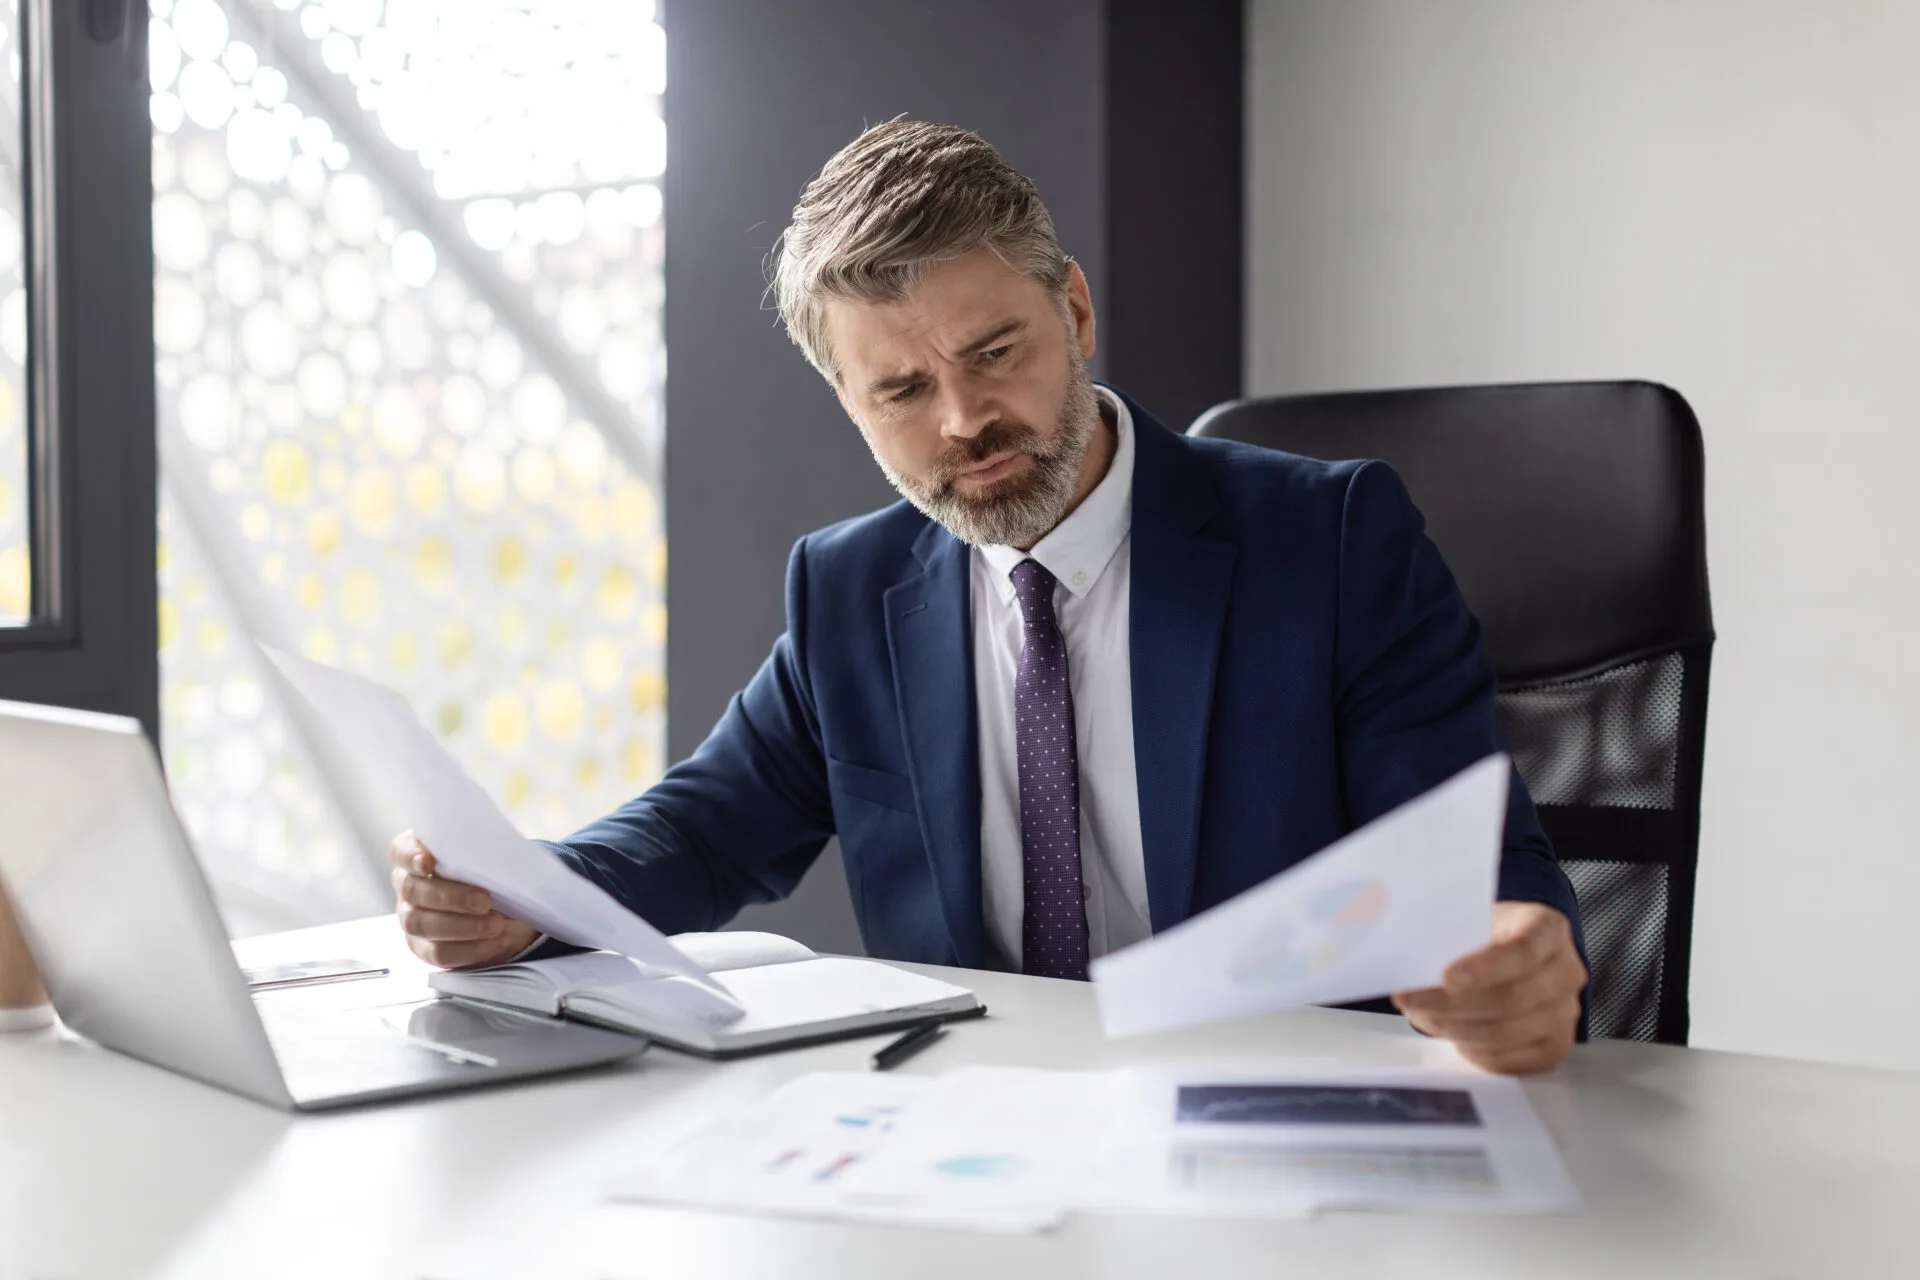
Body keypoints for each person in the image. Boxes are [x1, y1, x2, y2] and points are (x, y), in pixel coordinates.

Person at [390, 121, 1588, 1074]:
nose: (964, 421)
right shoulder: (851, 591)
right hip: (988, 1139)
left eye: (995, 352)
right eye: (902, 388)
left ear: (1073, 310)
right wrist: (521, 895)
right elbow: (699, 833)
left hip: (1274, 1129)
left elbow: (1483, 878)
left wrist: (1519, 967)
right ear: (850, 403)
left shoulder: (1328, 541)